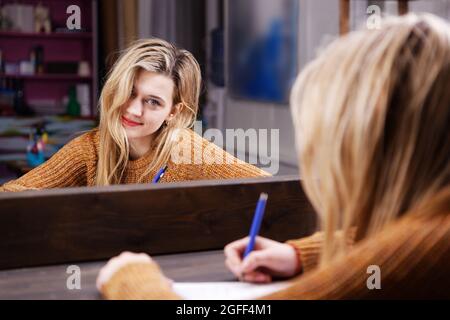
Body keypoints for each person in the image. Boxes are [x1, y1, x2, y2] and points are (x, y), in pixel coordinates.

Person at [96, 13, 450, 299]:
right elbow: (387, 240)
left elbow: (400, 251)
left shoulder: (430, 245)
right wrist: (301, 255)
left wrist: (134, 282)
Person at [0, 38, 269, 192]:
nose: (132, 109)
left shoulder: (188, 151)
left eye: (153, 102)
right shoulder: (90, 150)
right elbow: (14, 195)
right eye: (129, 92)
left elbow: (274, 191)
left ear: (173, 113)